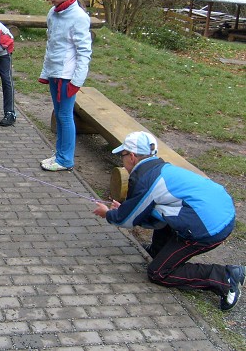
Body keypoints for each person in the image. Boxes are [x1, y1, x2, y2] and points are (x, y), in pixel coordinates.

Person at [93, 131, 244, 311]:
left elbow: (127, 221)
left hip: (209, 228)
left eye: (122, 155)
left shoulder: (146, 180)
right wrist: (126, 209)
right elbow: (150, 211)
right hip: (221, 210)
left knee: (158, 273)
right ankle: (159, 252)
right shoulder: (160, 169)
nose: (122, 160)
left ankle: (225, 277)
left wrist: (109, 214)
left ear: (132, 157)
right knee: (162, 211)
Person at [38, 0, 92, 171]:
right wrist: (45, 72)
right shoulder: (53, 13)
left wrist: (76, 82)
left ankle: (65, 159)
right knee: (60, 115)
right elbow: (51, 45)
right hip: (54, 74)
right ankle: (60, 154)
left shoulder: (78, 17)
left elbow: (84, 53)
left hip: (67, 77)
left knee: (65, 116)